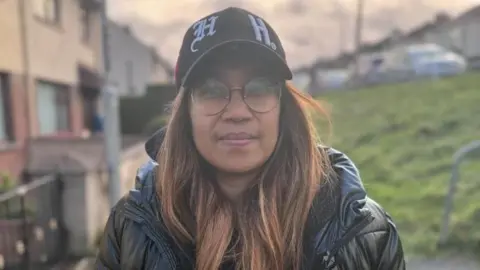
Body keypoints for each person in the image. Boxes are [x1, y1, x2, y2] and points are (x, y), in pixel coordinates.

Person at [96, 7, 405, 270]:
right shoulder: (131, 225)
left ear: (283, 108)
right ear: (185, 113)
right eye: (212, 90)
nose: (237, 112)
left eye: (258, 88)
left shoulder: (366, 231)